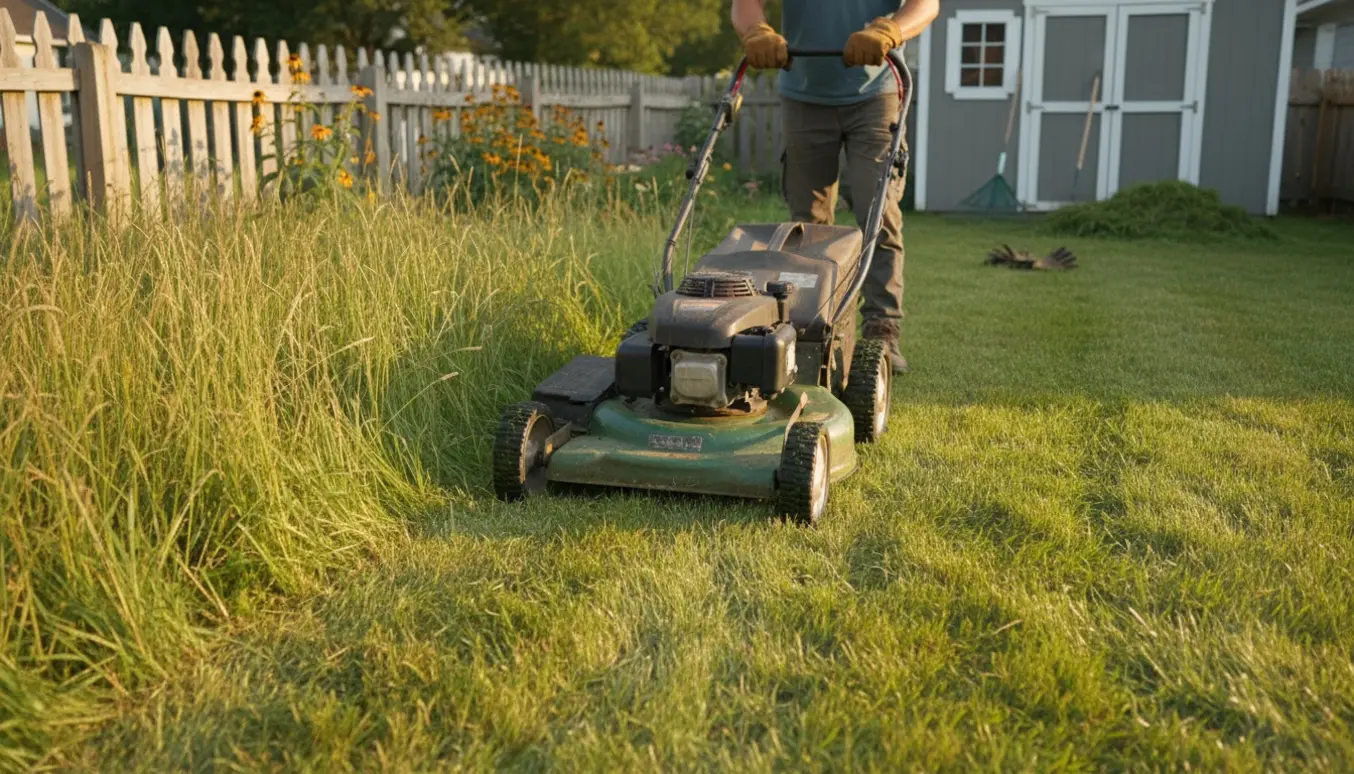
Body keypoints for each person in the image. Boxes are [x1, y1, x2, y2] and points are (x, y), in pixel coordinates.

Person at [731, 0, 938, 373]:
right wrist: (756, 31)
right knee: (808, 226)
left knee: (878, 211)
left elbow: (926, 5)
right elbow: (745, 5)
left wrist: (890, 29)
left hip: (876, 93)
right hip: (803, 94)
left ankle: (882, 330)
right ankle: (815, 326)